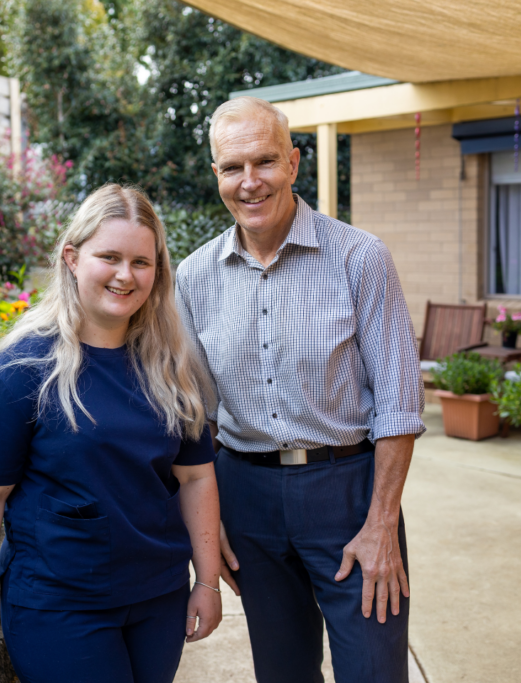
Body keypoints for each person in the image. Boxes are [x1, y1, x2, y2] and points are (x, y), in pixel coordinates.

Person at [175, 97, 425, 683]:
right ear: (216, 174)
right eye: (232, 167)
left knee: (374, 671)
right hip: (247, 497)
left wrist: (382, 522)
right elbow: (196, 419)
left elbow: (399, 403)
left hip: (348, 494)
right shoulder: (194, 276)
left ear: (293, 163)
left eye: (264, 162)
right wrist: (211, 533)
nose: (250, 181)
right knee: (282, 672)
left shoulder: (359, 257)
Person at [0, 184, 223, 683]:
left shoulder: (172, 366)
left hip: (158, 596)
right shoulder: (20, 368)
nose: (125, 274)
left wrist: (207, 582)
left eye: (142, 261)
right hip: (60, 603)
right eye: (109, 257)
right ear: (72, 258)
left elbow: (197, 478)